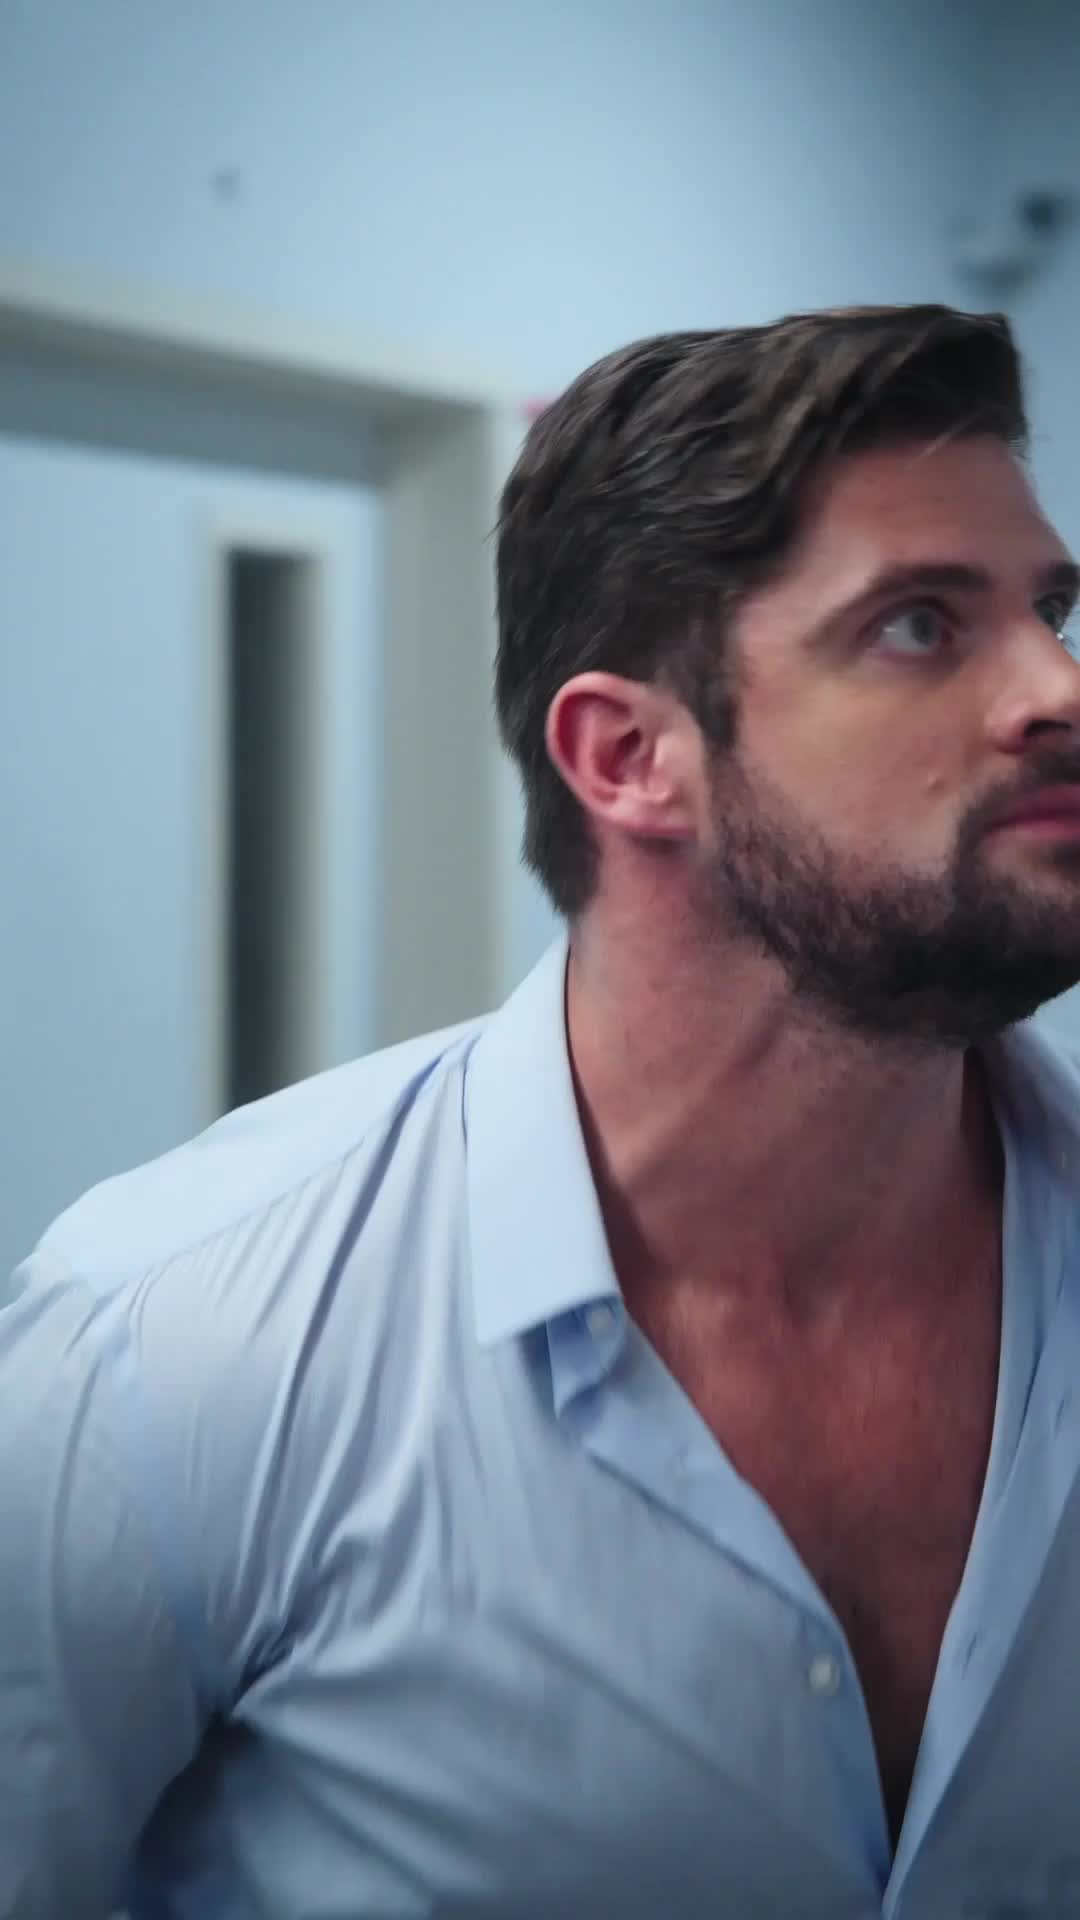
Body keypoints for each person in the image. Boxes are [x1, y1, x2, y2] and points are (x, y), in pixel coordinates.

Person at [5, 305, 1080, 1920]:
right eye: (920, 625)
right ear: (629, 756)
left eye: (1053, 610)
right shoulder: (172, 1353)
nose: (1058, 686)